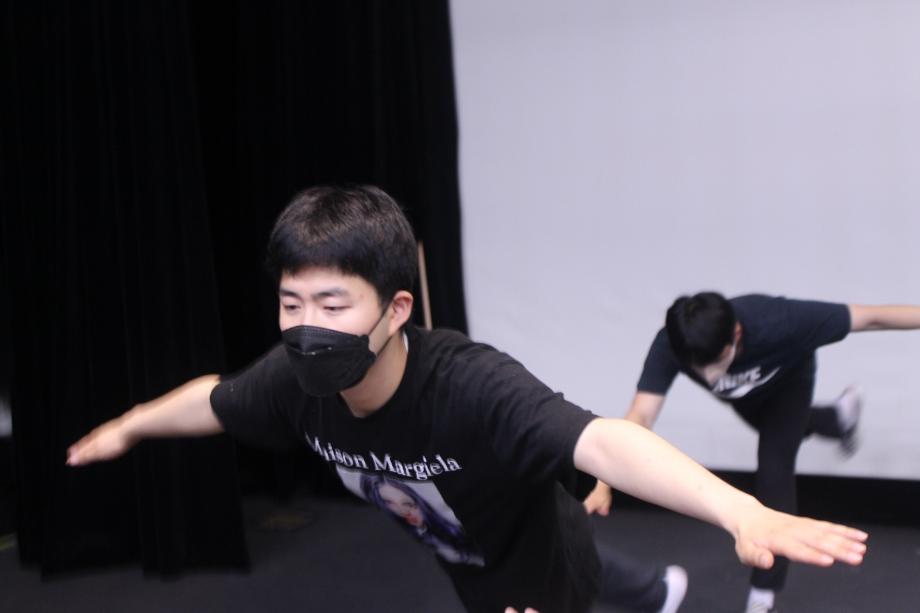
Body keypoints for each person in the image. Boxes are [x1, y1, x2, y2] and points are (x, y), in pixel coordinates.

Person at [67, 187, 867, 613]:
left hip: (536, 566)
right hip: (463, 554)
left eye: (333, 305)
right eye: (290, 302)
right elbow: (215, 399)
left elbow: (601, 440)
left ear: (396, 310)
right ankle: (657, 592)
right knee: (601, 576)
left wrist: (740, 510)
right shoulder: (290, 379)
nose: (307, 326)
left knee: (576, 570)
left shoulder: (469, 384)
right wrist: (129, 426)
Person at [584, 291, 920, 612]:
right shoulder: (673, 341)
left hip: (789, 385)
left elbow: (872, 317)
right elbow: (641, 415)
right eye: (698, 367)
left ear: (737, 333)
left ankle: (763, 596)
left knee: (775, 469)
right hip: (748, 401)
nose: (709, 375)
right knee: (775, 427)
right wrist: (603, 480)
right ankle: (836, 418)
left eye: (715, 362)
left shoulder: (781, 320)